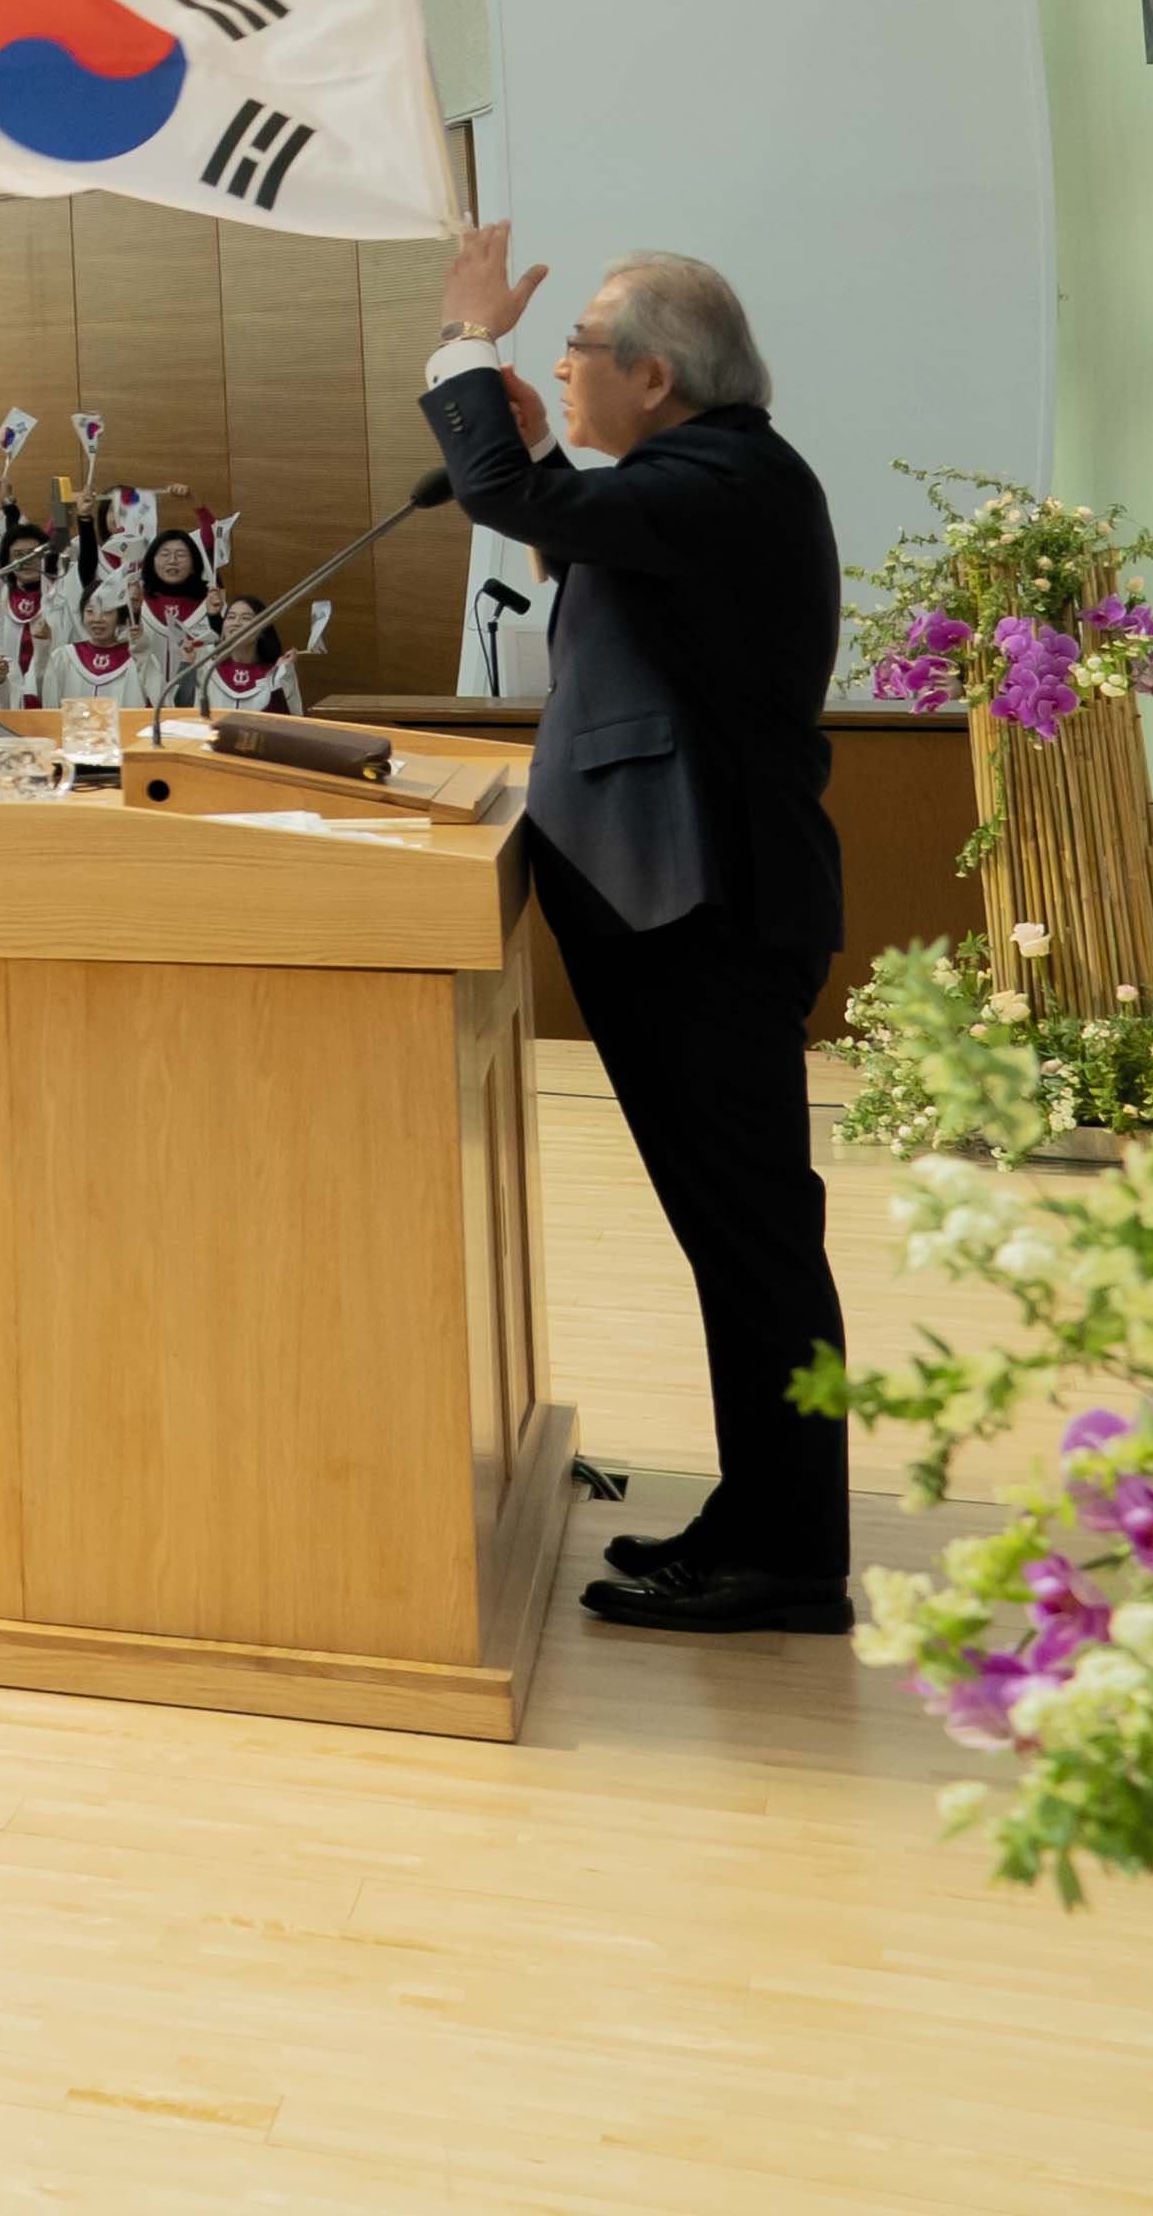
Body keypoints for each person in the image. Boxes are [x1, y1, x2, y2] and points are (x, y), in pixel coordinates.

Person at [421, 221, 850, 1638]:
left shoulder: (721, 480)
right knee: (734, 1236)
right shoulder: (697, 474)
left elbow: (501, 496)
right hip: (677, 901)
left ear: (651, 375)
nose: (561, 357)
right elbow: (565, 531)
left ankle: (790, 1553)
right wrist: (544, 456)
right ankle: (762, 1508)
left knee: (753, 1239)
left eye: (578, 345)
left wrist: (465, 342)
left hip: (704, 910)